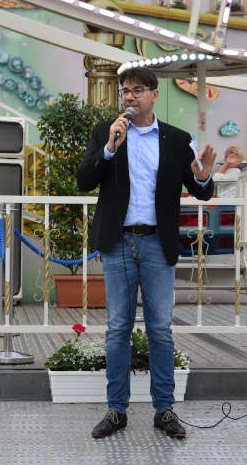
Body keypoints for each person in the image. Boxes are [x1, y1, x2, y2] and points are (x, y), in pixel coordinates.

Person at [77, 67, 216, 439]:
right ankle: (116, 410)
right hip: (118, 242)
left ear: (155, 94)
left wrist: (203, 176)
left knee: (160, 329)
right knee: (118, 327)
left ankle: (164, 410)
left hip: (157, 243)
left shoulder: (176, 140)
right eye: (125, 91)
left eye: (137, 90)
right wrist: (108, 149)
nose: (130, 97)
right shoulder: (107, 133)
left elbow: (201, 191)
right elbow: (84, 180)